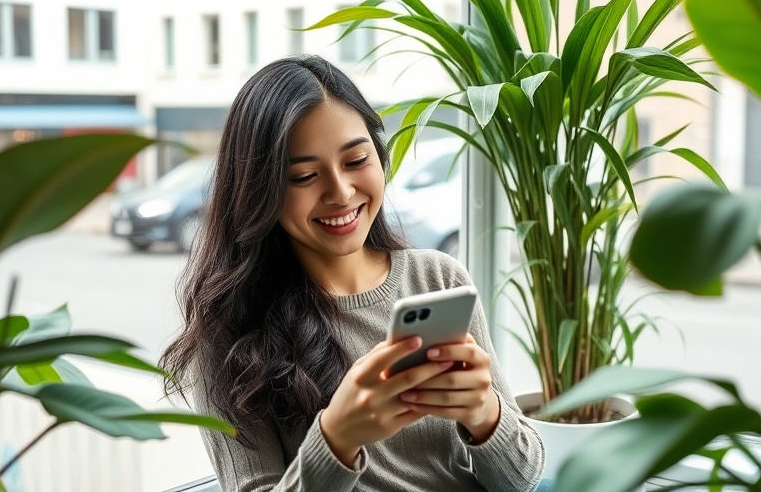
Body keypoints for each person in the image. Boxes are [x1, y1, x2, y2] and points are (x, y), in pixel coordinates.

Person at [160, 55, 547, 492]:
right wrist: (338, 439)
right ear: (259, 190)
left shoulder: (438, 280)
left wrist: (484, 413)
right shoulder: (227, 335)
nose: (341, 193)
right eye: (304, 176)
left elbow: (522, 479)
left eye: (356, 160)